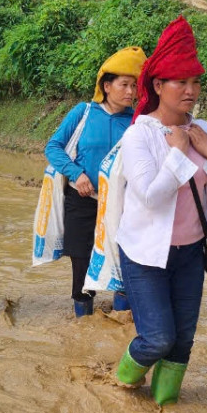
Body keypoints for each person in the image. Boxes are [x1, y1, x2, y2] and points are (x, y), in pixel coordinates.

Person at [111, 17, 207, 407]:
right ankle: (123, 380)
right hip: (145, 255)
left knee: (182, 341)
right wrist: (179, 152)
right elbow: (150, 196)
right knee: (158, 337)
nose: (191, 90)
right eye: (181, 82)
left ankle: (165, 408)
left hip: (190, 253)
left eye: (195, 82)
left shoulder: (204, 129)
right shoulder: (139, 135)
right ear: (158, 86)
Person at [43, 46, 145, 318]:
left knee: (123, 271)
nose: (130, 92)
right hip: (83, 202)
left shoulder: (137, 122)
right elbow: (53, 148)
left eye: (134, 86)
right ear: (106, 85)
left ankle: (121, 323)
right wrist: (77, 174)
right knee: (82, 272)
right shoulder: (84, 112)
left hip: (122, 207)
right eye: (124, 85)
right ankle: (83, 329)